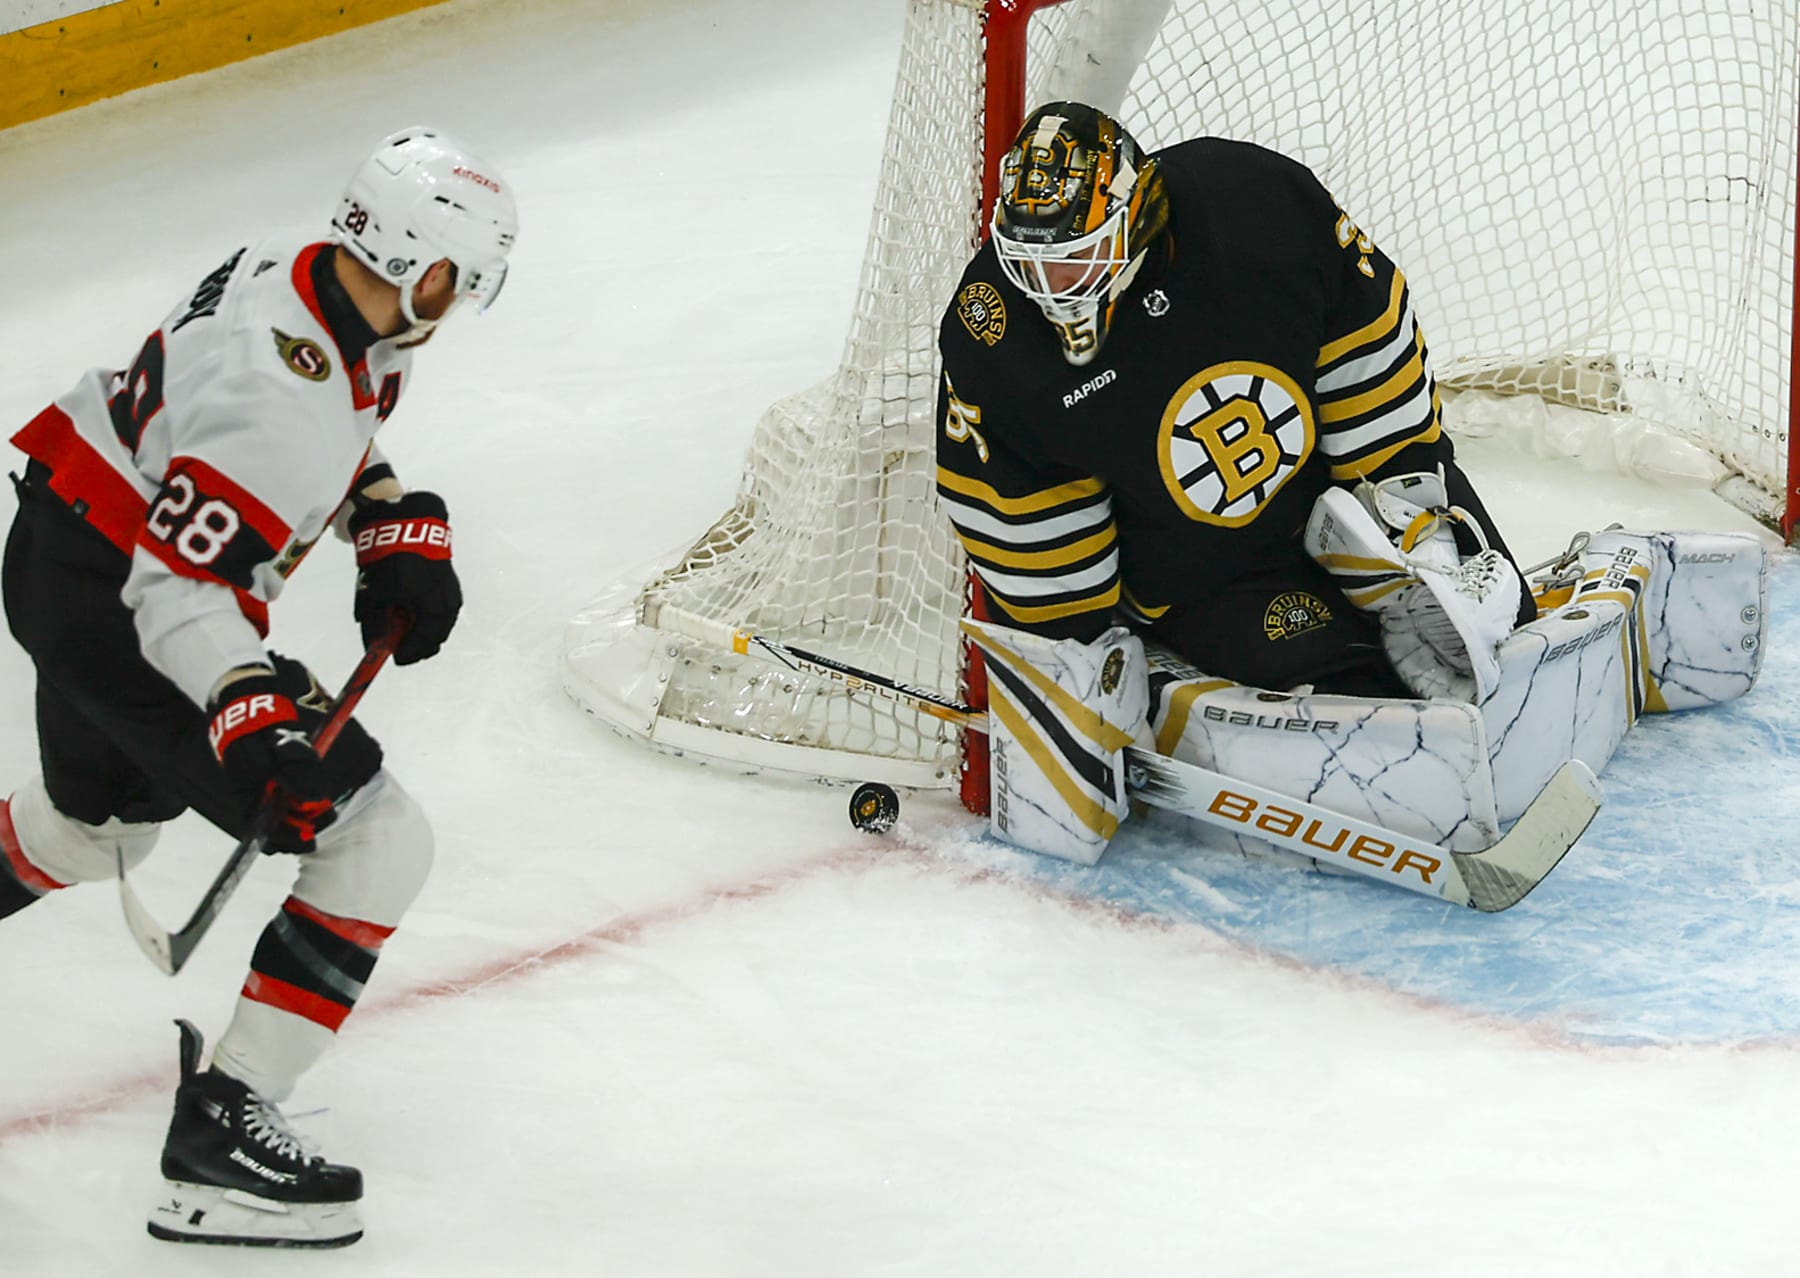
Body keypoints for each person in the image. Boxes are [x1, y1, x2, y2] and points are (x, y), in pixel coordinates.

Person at [0, 126, 517, 1248]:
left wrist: (384, 518)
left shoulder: (313, 270)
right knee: (377, 840)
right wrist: (251, 717)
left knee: (92, 832)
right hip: (123, 602)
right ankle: (219, 1143)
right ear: (419, 264)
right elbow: (180, 590)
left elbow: (334, 422)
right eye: (455, 280)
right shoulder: (275, 395)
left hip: (62, 549)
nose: (454, 302)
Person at [936, 102, 1535, 864]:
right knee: (1360, 696)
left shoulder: (1254, 200)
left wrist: (1416, 514)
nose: (1053, 286)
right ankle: (1177, 664)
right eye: (1034, 263)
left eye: (1077, 254)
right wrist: (1086, 653)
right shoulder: (993, 334)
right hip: (1205, 577)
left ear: (1138, 210)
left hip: (1346, 496)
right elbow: (1023, 514)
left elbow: (1368, 334)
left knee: (1495, 636)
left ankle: (1401, 566)